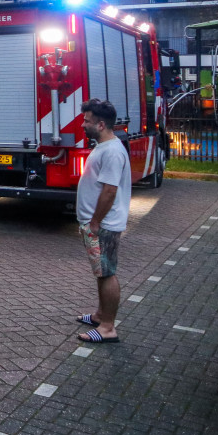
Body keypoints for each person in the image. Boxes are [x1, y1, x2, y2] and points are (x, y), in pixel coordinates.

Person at [75, 99, 131, 344]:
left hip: (104, 224)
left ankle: (108, 328)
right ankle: (100, 315)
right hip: (98, 222)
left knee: (107, 273)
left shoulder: (112, 151)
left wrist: (95, 221)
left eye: (87, 121)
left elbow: (109, 191)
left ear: (100, 124)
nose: (83, 124)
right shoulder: (104, 146)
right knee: (101, 272)